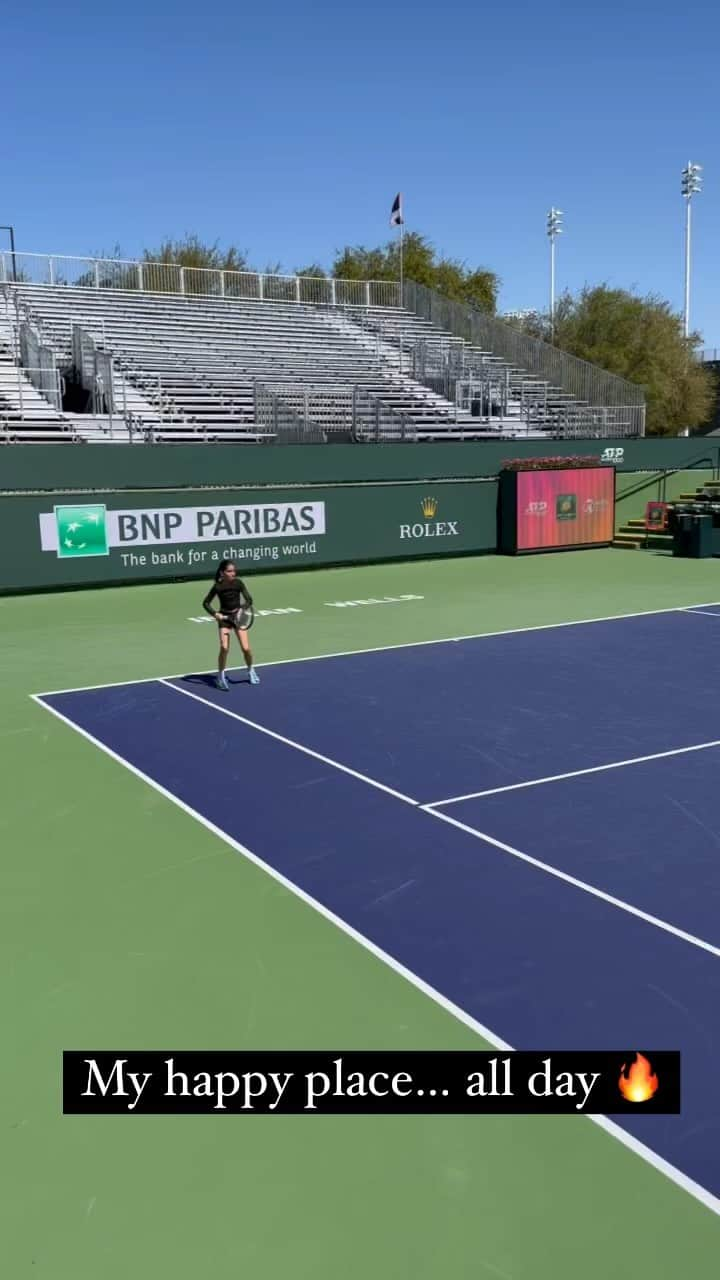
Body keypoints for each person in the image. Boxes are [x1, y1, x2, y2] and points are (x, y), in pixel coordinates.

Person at [202, 560, 260, 690]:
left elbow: (249, 600)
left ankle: (251, 670)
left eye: (234, 570)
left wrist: (241, 609)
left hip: (239, 618)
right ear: (222, 573)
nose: (233, 573)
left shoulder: (238, 583)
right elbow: (205, 603)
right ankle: (220, 677)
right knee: (224, 648)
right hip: (225, 620)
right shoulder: (217, 586)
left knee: (246, 649)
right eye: (229, 571)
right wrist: (215, 614)